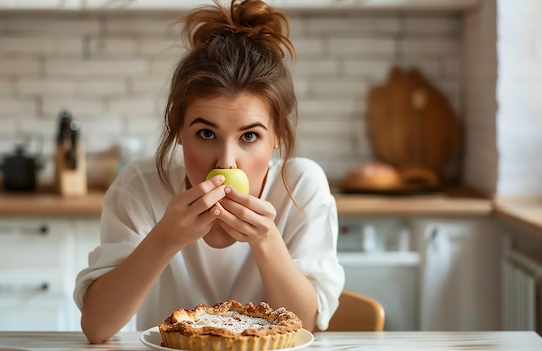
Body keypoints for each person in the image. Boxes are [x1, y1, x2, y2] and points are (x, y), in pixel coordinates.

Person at [74, 0, 345, 344]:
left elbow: (305, 326)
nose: (226, 163)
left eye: (249, 136)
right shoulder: (140, 187)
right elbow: (96, 327)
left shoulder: (300, 186)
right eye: (206, 134)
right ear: (179, 131)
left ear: (277, 135)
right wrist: (165, 238)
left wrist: (265, 240)